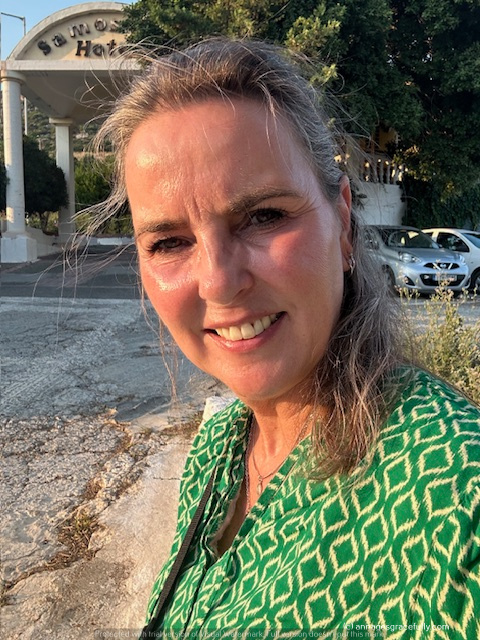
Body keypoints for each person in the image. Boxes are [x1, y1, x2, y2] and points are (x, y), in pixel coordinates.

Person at [95, 39, 480, 638]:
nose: (219, 282)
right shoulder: (219, 449)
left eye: (264, 216)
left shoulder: (454, 492)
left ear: (343, 222)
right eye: (168, 242)